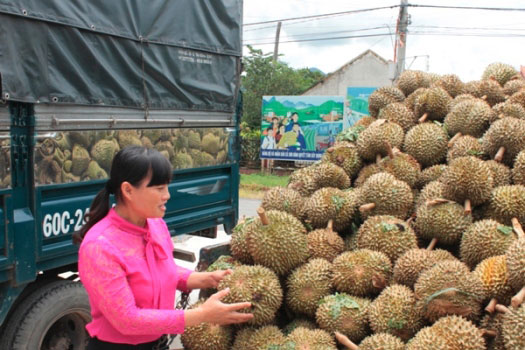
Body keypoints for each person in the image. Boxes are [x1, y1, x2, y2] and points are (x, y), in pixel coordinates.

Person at [75, 146, 253, 350]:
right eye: (159, 188)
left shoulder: (156, 225)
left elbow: (162, 271)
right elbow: (127, 320)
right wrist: (202, 315)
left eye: (167, 187)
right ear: (128, 190)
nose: (167, 195)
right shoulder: (99, 246)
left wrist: (206, 279)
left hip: (157, 344)